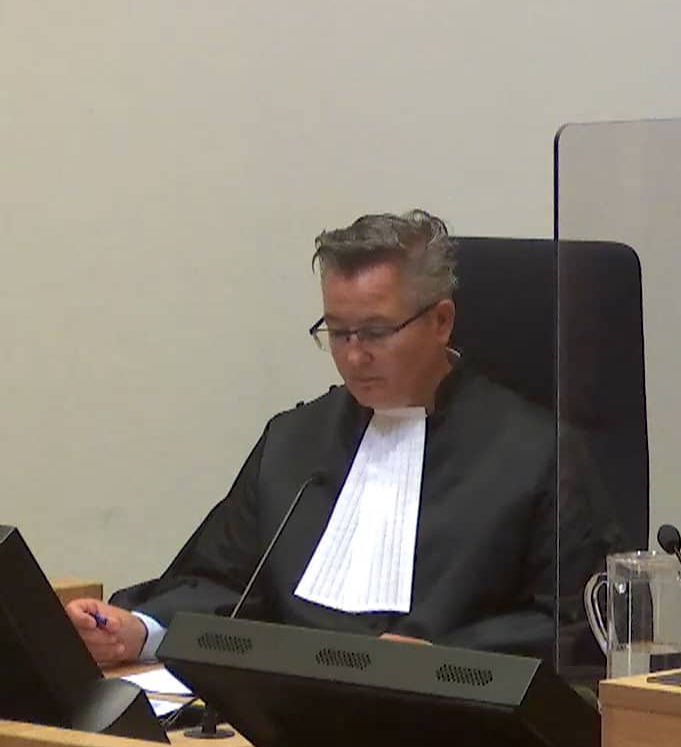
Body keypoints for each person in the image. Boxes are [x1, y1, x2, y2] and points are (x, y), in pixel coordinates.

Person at [65, 210, 603, 664]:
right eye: (337, 332)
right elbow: (226, 581)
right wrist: (141, 629)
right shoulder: (294, 441)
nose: (354, 355)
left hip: (458, 724)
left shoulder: (537, 455)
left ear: (441, 322)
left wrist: (442, 656)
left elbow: (579, 623)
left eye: (375, 332)